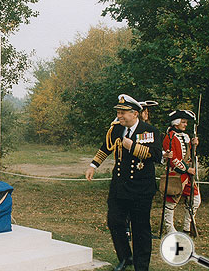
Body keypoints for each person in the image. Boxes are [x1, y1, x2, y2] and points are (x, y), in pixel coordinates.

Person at [85, 94, 162, 271]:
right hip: (119, 186)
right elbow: (106, 147)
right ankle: (126, 257)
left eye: (123, 113)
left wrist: (132, 147)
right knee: (115, 221)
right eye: (118, 112)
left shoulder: (148, 130)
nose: (119, 116)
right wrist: (93, 165)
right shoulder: (117, 129)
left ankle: (141, 266)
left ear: (135, 113)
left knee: (140, 228)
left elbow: (157, 155)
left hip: (141, 188)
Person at [162, 110, 200, 234]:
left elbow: (189, 156)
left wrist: (194, 145)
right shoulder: (170, 137)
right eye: (183, 122)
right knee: (171, 202)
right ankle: (169, 228)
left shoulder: (186, 137)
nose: (185, 125)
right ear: (176, 123)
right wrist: (186, 169)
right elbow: (172, 159)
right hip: (176, 174)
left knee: (195, 200)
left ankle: (187, 226)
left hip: (187, 175)